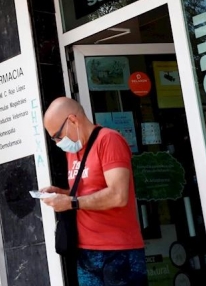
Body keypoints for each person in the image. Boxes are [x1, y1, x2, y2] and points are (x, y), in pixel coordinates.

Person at [41, 97, 147, 286]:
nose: (57, 142)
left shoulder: (109, 140)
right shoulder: (72, 151)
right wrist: (62, 194)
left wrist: (71, 202)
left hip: (118, 251)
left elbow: (118, 195)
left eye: (58, 135)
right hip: (86, 252)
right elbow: (89, 190)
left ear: (73, 120)